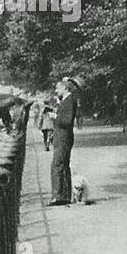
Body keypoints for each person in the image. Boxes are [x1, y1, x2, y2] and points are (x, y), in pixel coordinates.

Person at [48, 76, 81, 206]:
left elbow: (67, 121)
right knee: (63, 166)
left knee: (56, 165)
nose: (56, 90)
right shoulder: (67, 101)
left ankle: (57, 196)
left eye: (58, 88)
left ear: (64, 88)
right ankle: (64, 196)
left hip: (63, 137)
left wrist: (55, 117)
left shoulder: (69, 101)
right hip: (62, 137)